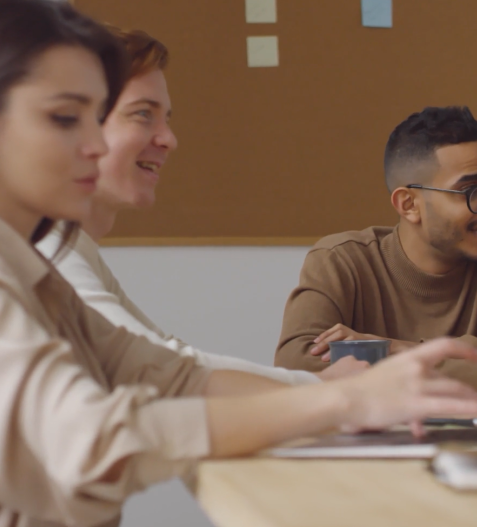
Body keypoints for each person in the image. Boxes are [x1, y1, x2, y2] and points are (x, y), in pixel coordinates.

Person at [0, 0, 477, 527]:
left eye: (97, 117)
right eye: (65, 119)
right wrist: (339, 402)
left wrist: (356, 397)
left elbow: (171, 377)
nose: (93, 144)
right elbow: (88, 443)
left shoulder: (25, 269)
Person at [37, 27, 362, 385]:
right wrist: (322, 387)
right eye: (143, 114)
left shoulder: (72, 247)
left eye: (166, 119)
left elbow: (166, 352)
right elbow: (157, 366)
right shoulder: (44, 251)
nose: (169, 139)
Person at [274, 106, 477, 392]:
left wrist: (393, 350)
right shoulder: (342, 260)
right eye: (472, 191)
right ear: (409, 205)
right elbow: (297, 368)